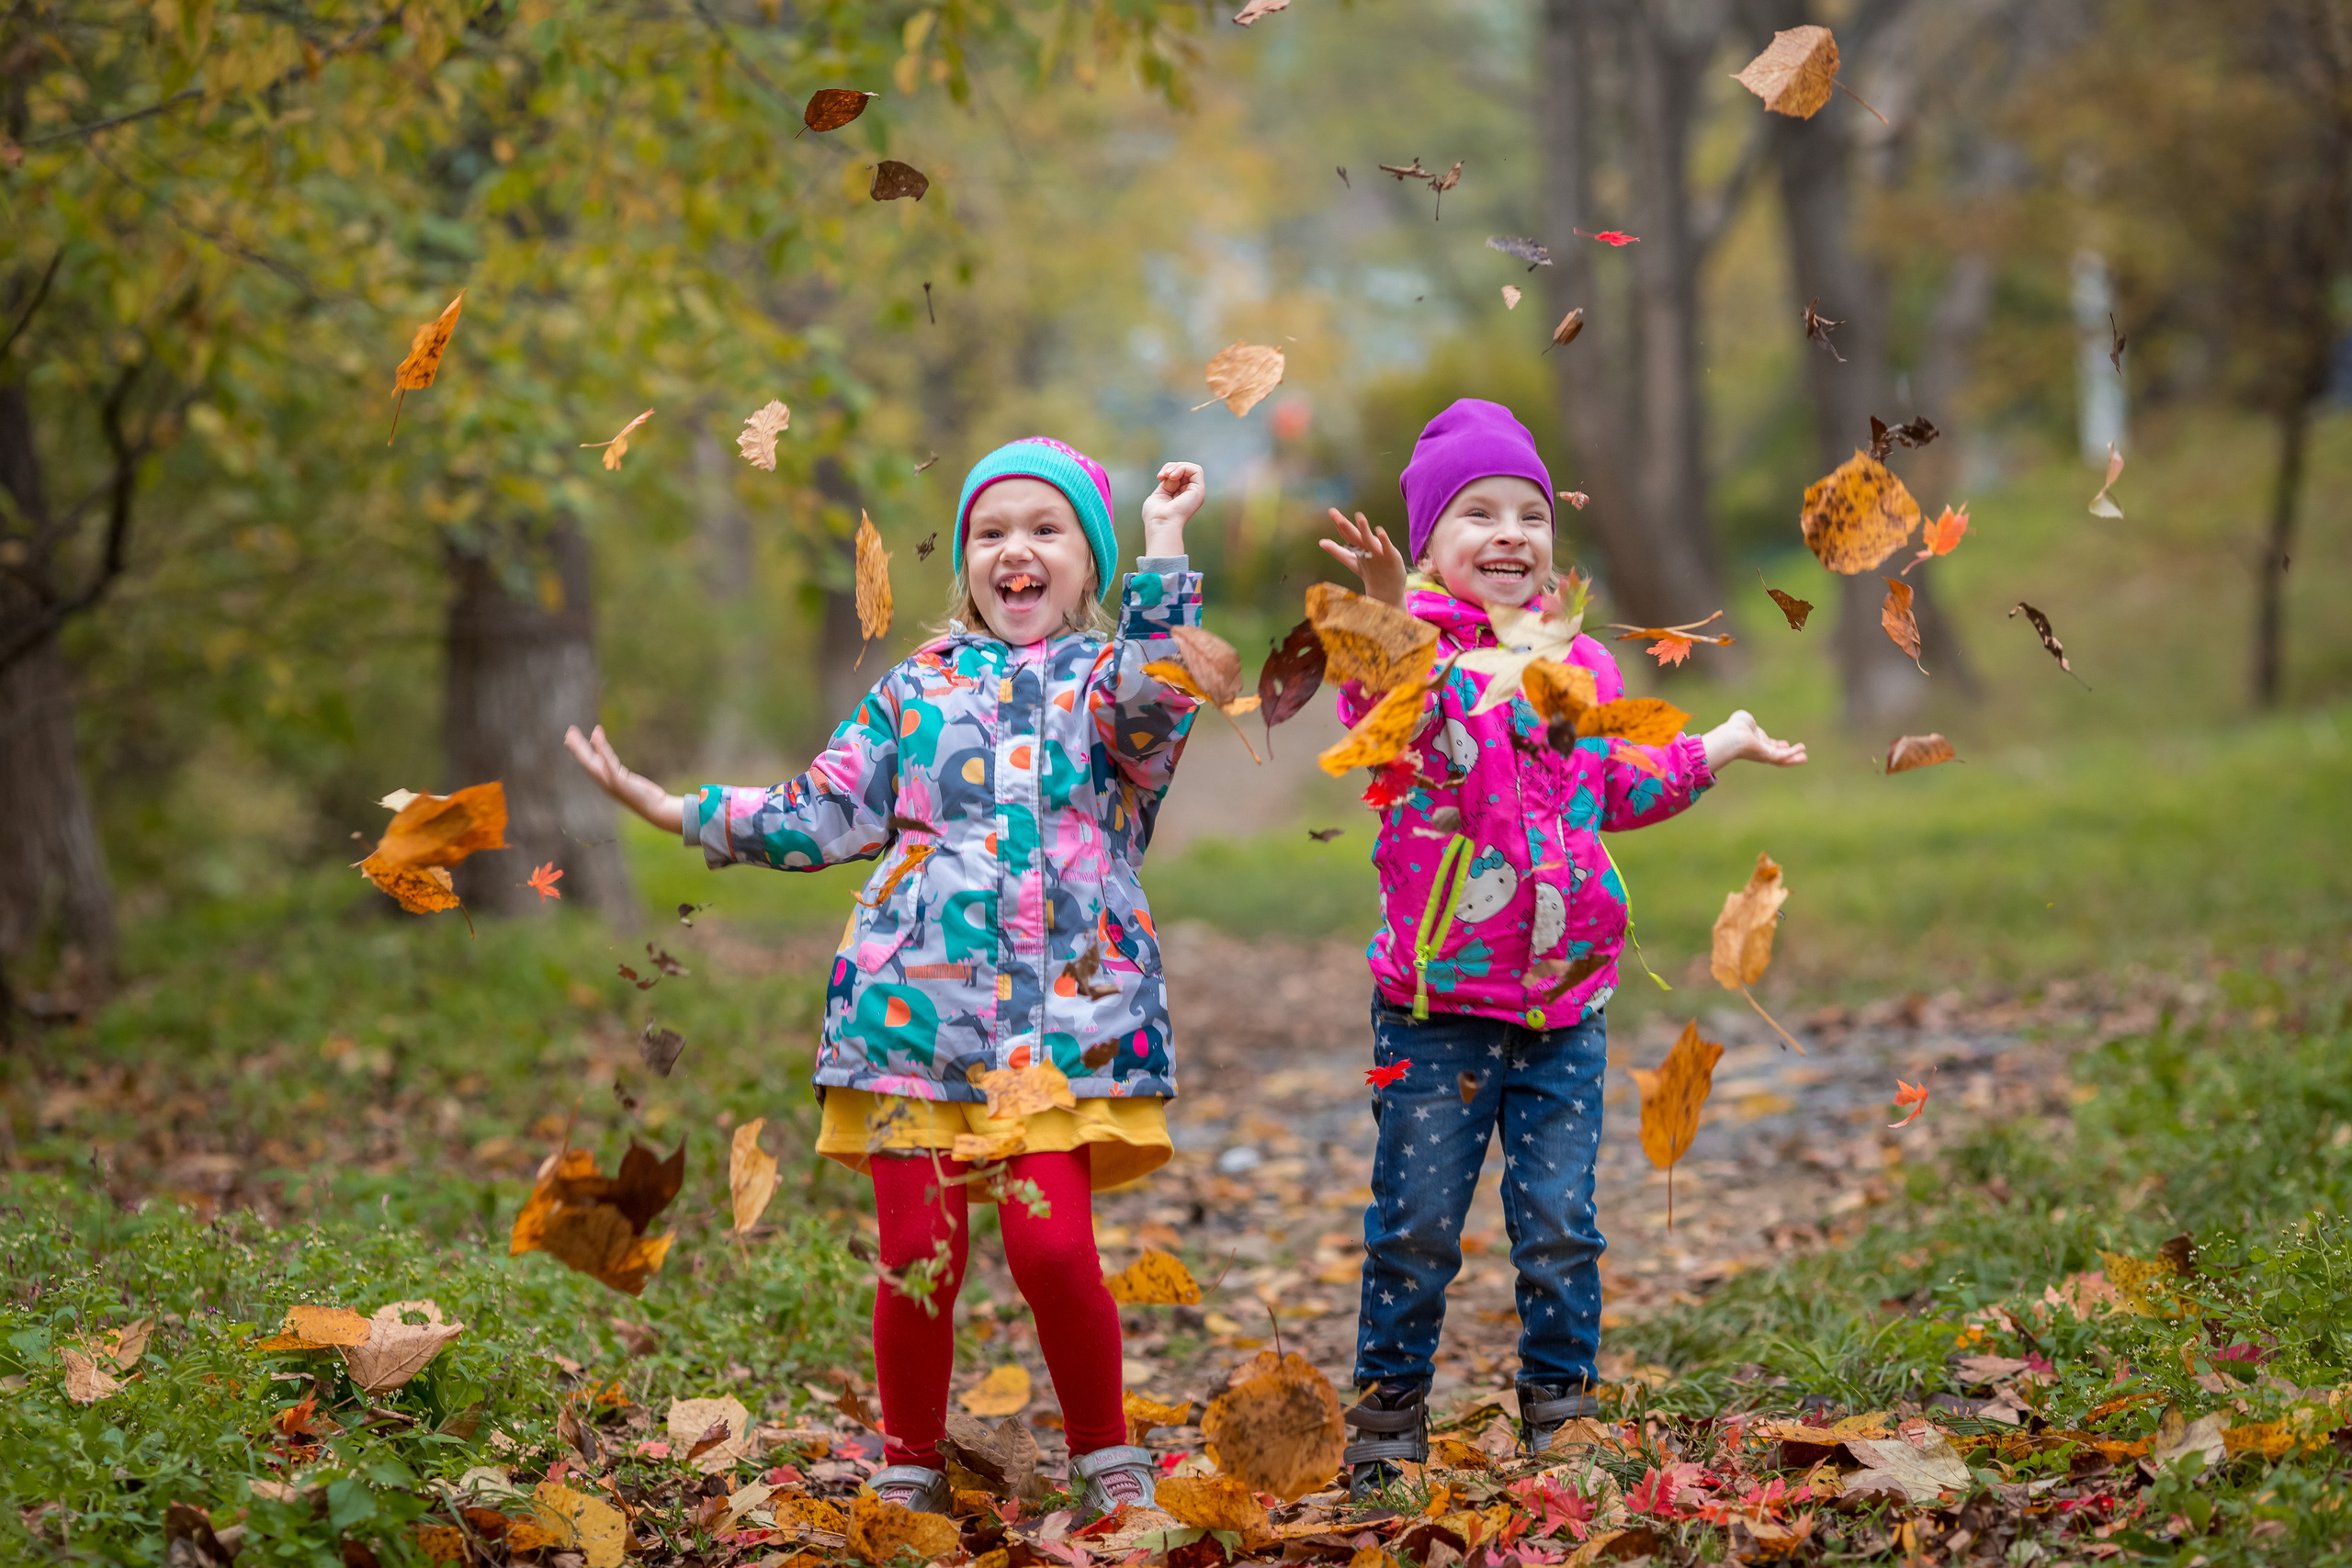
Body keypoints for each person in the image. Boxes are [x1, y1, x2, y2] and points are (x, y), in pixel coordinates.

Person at [566, 439, 1209, 1521]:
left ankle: (1106, 1453)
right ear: (963, 563)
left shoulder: (1114, 690)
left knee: (1050, 1248)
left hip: (1058, 1034)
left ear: (1086, 565)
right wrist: (676, 809)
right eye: (990, 533)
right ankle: (908, 1456)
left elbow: (1158, 706)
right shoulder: (917, 688)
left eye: (1045, 531)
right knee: (920, 1253)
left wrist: (1163, 548)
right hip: (910, 1022)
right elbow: (817, 811)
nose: (1017, 551)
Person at [1316, 399, 1806, 1495]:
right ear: (1432, 544)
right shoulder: (1422, 659)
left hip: (1564, 1012)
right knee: (1417, 1226)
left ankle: (1562, 1410)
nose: (1508, 534)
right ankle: (1388, 1415)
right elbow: (1382, 709)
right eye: (1475, 513)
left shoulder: (1579, 661)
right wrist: (1391, 615)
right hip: (1435, 1013)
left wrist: (1716, 746)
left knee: (1558, 1223)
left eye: (1527, 514)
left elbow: (1613, 789)